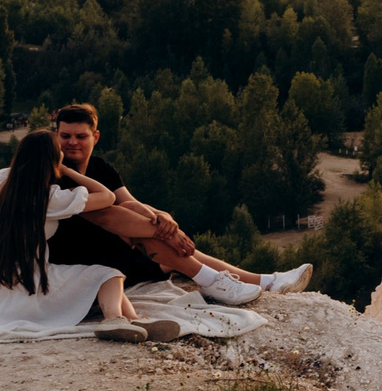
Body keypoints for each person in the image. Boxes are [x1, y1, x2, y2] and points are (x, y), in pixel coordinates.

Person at [45, 103, 309, 305]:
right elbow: (108, 214)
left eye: (80, 136)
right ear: (56, 135)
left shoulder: (100, 167)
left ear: (95, 137)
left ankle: (264, 281)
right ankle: (246, 282)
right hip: (77, 259)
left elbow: (131, 202)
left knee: (172, 248)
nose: (72, 143)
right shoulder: (54, 175)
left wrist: (163, 218)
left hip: (113, 250)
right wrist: (162, 230)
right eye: (65, 136)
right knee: (158, 238)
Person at [0, 132, 169, 342]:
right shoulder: (50, 198)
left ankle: (133, 319)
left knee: (101, 276)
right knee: (108, 274)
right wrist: (67, 171)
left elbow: (19, 174)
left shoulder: (1, 183)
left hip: (3, 282)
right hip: (30, 286)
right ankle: (114, 319)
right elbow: (108, 196)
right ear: (53, 159)